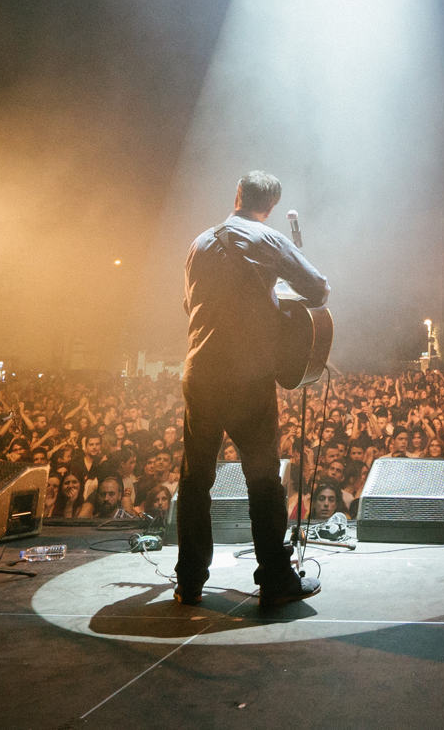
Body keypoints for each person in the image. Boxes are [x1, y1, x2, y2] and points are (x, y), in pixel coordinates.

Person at [176, 171, 329, 606]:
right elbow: (319, 290)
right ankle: (275, 580)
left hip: (200, 373)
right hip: (246, 377)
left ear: (238, 195)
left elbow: (190, 305)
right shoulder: (270, 240)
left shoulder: (200, 243)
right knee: (262, 481)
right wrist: (276, 294)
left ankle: (190, 581)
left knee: (195, 481)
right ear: (272, 206)